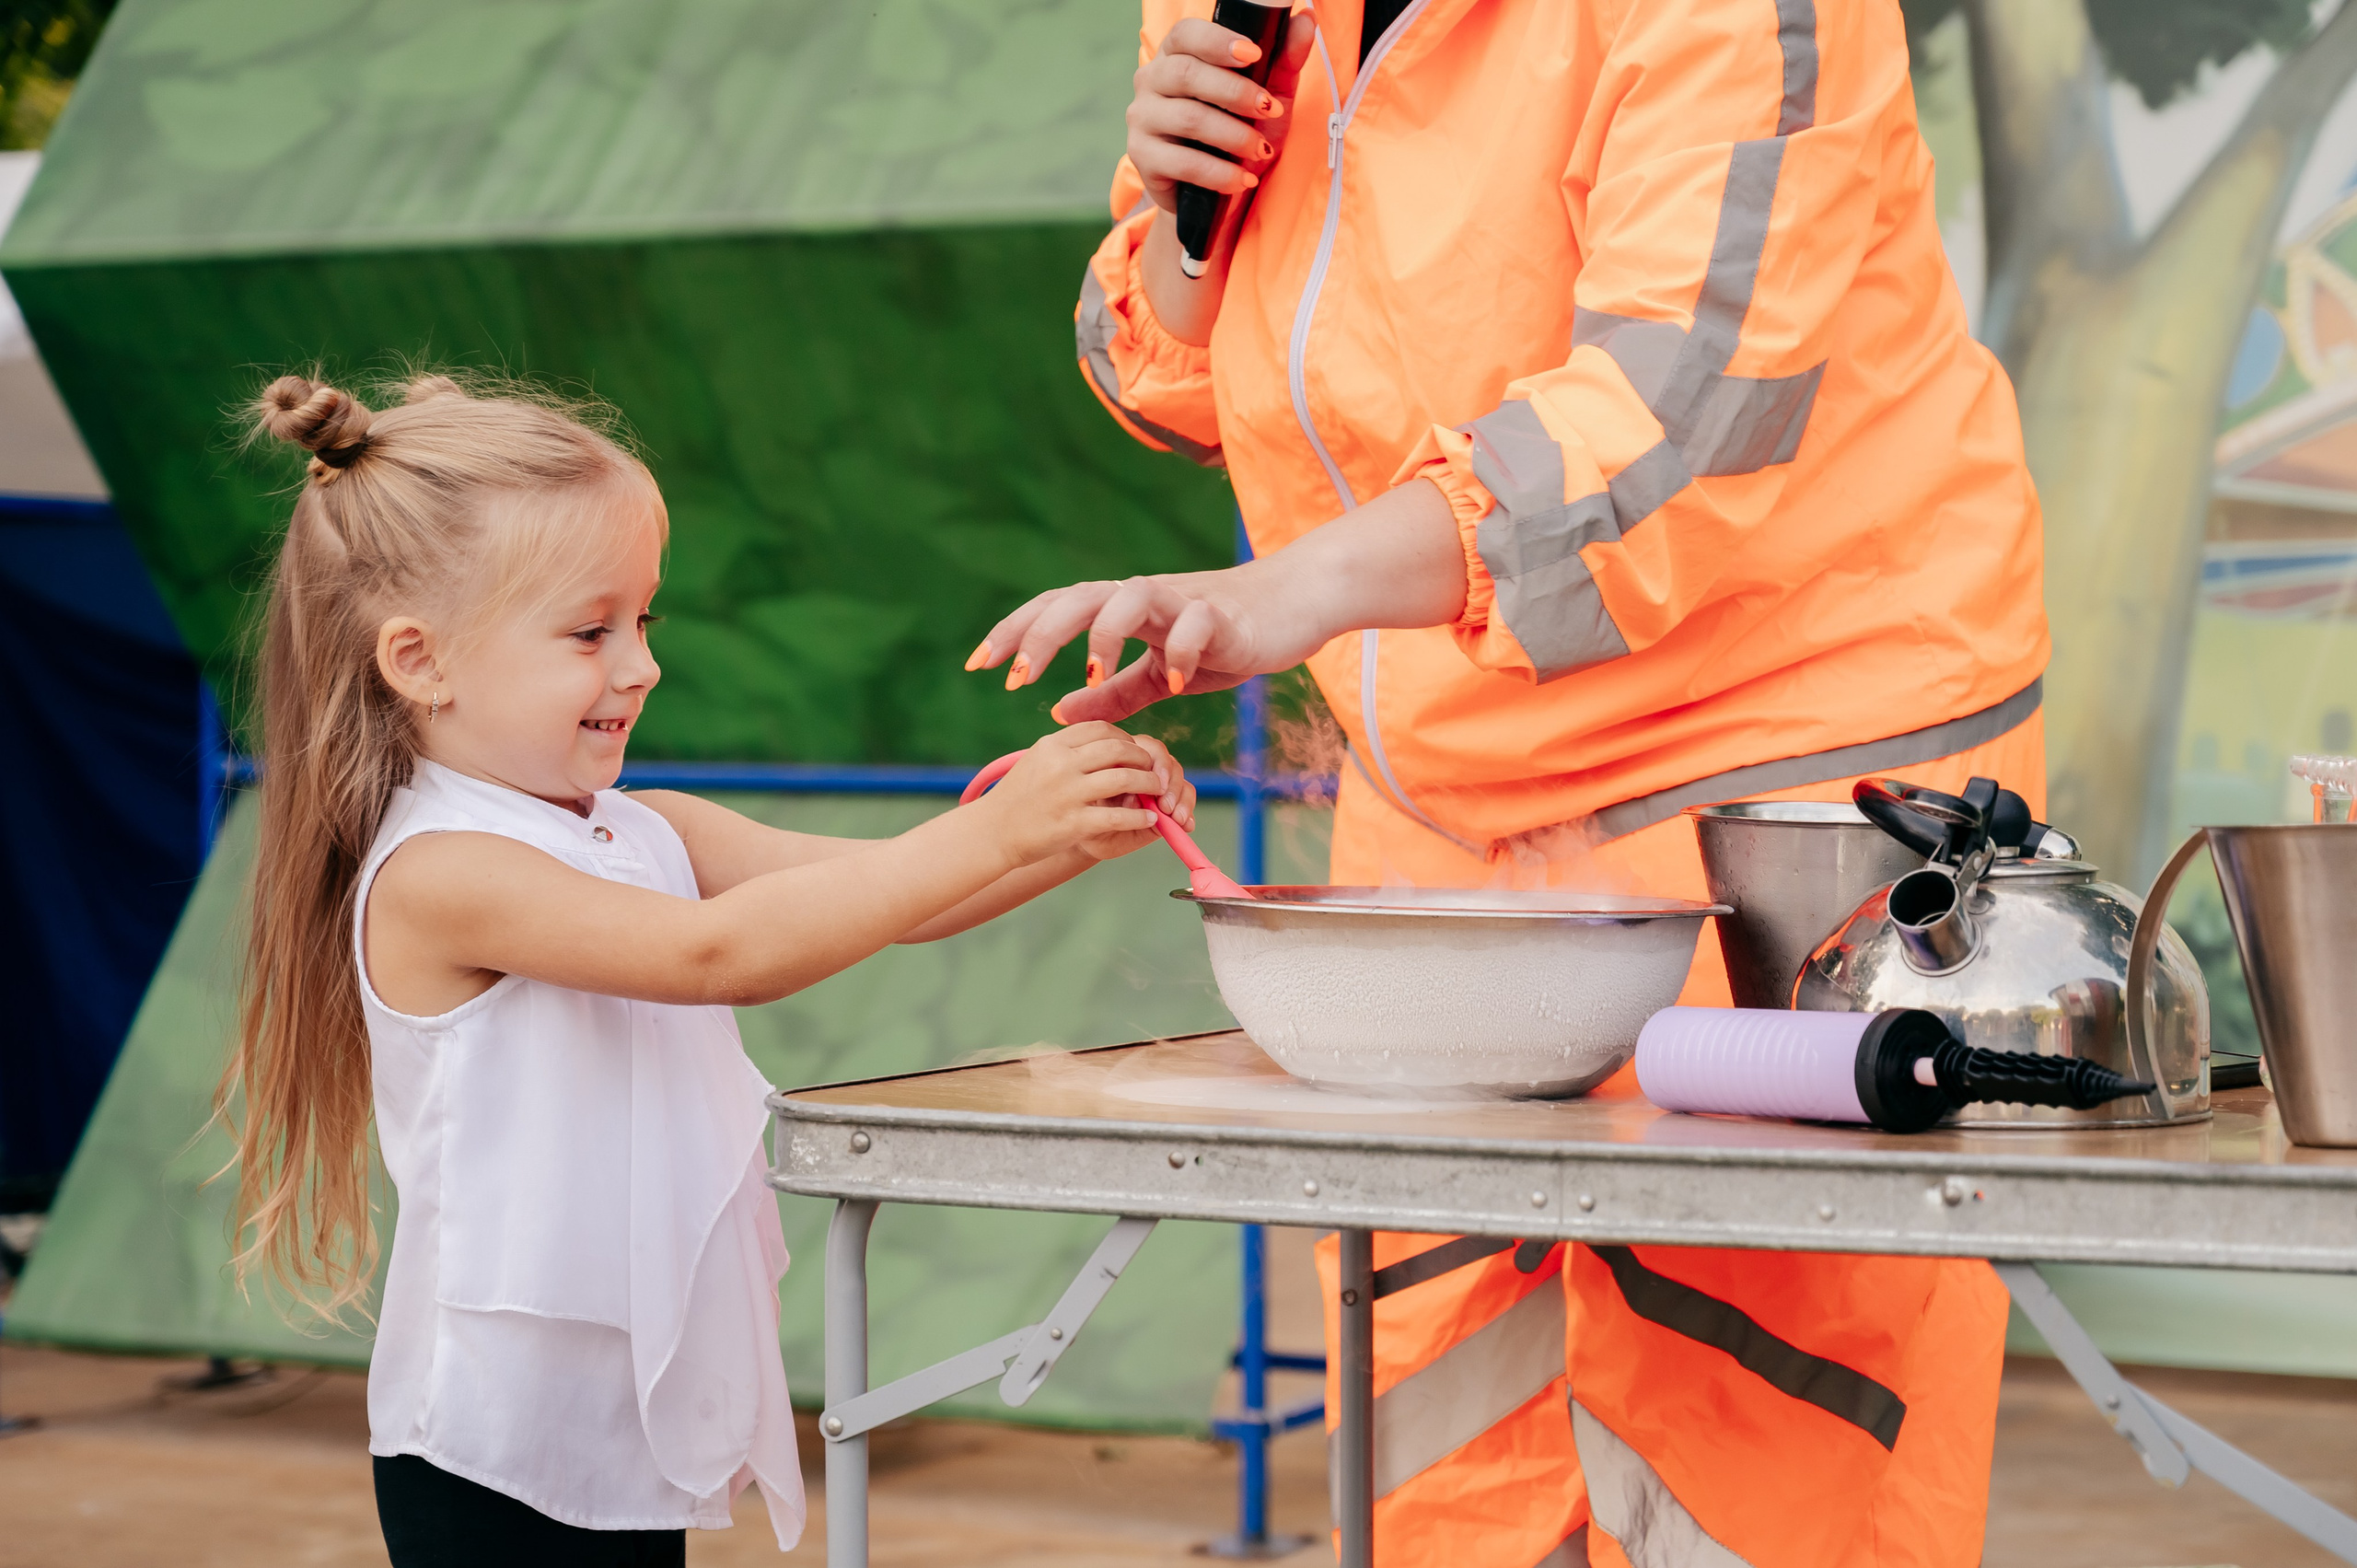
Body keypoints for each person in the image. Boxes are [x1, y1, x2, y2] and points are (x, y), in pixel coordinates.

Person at [974, 2, 2049, 1563]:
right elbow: (1183, 383)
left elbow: (1683, 411)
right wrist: (1190, 240)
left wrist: (1299, 590)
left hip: (1790, 767)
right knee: (1448, 1408)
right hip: (1444, 790)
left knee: (1749, 1412)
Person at [219, 373, 1197, 1566]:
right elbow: (714, 956)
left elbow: (899, 897)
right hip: (485, 1442)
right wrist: (993, 830)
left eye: (646, 621)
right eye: (591, 631)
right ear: (421, 661)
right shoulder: (439, 872)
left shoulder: (646, 827)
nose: (640, 666)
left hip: (617, 1425)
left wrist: (1070, 831)